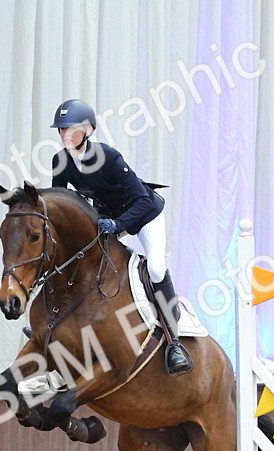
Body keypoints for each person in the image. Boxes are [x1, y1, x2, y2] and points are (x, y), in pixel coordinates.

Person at [48, 99, 193, 376]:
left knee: (155, 268)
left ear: (88, 131)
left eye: (72, 129)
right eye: (62, 130)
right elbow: (61, 201)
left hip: (145, 215)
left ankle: (174, 343)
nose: (65, 135)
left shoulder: (109, 158)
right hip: (108, 220)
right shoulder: (61, 161)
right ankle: (57, 327)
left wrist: (117, 224)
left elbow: (141, 200)